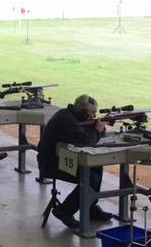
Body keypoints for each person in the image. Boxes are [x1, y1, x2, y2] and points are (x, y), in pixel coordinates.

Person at [37, 94, 112, 228]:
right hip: (51, 164)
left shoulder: (71, 116)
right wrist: (97, 129)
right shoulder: (66, 119)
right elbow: (86, 140)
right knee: (91, 178)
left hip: (62, 159)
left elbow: (90, 135)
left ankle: (90, 207)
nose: (93, 116)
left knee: (96, 166)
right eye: (91, 113)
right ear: (83, 112)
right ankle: (64, 211)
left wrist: (97, 128)